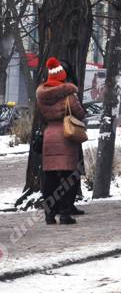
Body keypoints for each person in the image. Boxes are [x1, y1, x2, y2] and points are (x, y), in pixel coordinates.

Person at [37, 57, 86, 225]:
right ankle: (65, 214)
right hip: (66, 135)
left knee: (50, 178)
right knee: (68, 178)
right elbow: (80, 113)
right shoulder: (68, 95)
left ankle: (49, 215)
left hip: (49, 135)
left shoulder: (41, 95)